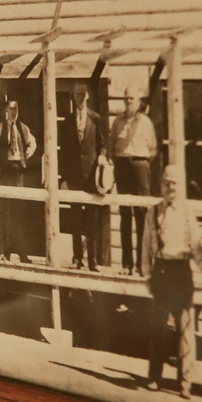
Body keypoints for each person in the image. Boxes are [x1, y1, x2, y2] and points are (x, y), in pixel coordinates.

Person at [144, 165, 197, 395]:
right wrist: (147, 274)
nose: (170, 187)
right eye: (167, 183)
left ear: (180, 186)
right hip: (162, 271)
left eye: (174, 183)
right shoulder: (154, 212)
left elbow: (197, 244)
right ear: (162, 185)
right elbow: (145, 245)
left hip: (182, 271)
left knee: (184, 326)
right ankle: (154, 377)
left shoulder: (187, 213)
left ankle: (185, 381)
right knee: (159, 326)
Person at [59, 83, 107, 269]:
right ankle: (77, 258)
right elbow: (63, 152)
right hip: (74, 177)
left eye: (82, 94)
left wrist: (102, 157)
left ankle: (92, 261)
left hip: (91, 176)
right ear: (73, 96)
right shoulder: (68, 120)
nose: (80, 97)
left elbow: (103, 145)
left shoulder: (95, 119)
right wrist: (64, 178)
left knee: (92, 219)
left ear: (87, 96)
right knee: (75, 219)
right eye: (77, 94)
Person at [111, 90, 159, 273]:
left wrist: (140, 164)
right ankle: (127, 264)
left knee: (141, 216)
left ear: (139, 102)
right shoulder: (117, 121)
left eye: (132, 98)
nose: (128, 101)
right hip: (122, 166)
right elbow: (111, 145)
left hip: (140, 166)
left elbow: (153, 150)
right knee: (125, 216)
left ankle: (142, 264)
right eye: (126, 98)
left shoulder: (146, 122)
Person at [0, 94, 38, 261]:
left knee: (19, 214)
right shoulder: (0, 128)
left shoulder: (22, 128)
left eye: (16, 109)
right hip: (6, 173)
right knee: (6, 212)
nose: (13, 112)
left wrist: (26, 156)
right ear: (6, 110)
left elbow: (33, 143)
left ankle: (22, 252)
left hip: (18, 173)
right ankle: (5, 252)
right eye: (11, 108)